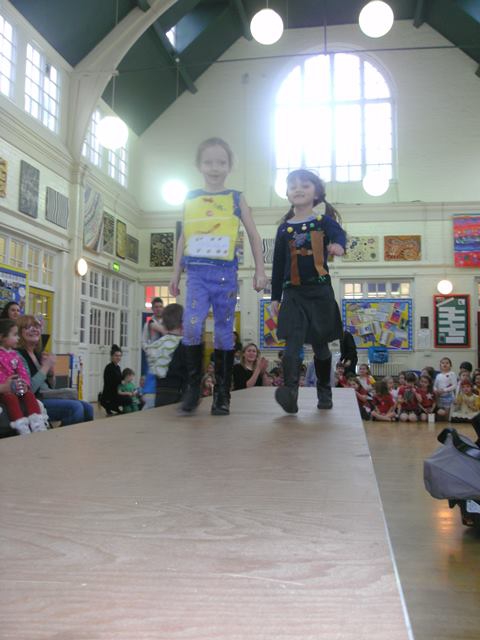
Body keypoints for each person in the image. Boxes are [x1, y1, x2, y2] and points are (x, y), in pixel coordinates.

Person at [169, 137, 267, 415]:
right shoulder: (191, 198)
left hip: (224, 274)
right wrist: (175, 272)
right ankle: (193, 387)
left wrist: (260, 270)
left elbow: (253, 234)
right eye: (209, 162)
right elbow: (183, 236)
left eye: (221, 162)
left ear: (229, 166)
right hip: (196, 273)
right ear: (199, 165)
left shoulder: (236, 198)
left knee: (224, 332)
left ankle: (222, 394)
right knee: (192, 325)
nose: (214, 167)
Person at [270, 169, 346, 414]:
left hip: (320, 292)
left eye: (304, 185)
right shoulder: (284, 229)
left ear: (316, 193)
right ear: (287, 193)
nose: (298, 189)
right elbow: (278, 265)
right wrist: (275, 297)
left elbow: (339, 234)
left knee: (320, 345)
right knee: (292, 344)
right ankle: (290, 393)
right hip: (293, 293)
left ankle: (324, 391)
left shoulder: (323, 222)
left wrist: (338, 245)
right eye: (293, 186)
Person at [16, 315, 94, 426]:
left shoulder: (37, 354)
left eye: (37, 326)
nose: (34, 330)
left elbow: (50, 387)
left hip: (46, 395)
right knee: (75, 408)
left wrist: (50, 373)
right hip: (33, 400)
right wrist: (46, 366)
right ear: (19, 332)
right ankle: (62, 436)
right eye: (28, 327)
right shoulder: (18, 355)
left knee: (88, 408)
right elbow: (29, 389)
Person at [0, 319, 46, 434]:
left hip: (17, 387)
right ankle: (20, 424)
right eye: (15, 335)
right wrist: (6, 384)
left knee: (29, 395)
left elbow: (22, 371)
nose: (18, 338)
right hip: (5, 390)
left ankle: (37, 422)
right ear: (2, 337)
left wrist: (25, 383)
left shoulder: (15, 354)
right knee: (11, 398)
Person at [143, 303, 187, 408]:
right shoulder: (183, 345)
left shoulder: (155, 346)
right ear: (183, 323)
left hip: (156, 392)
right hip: (178, 393)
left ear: (164, 324)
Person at [141, 297, 165, 409]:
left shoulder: (167, 322)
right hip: (154, 357)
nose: (158, 309)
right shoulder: (148, 324)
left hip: (165, 357)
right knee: (151, 385)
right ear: (152, 309)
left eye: (160, 306)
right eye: (156, 307)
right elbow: (144, 341)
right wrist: (149, 350)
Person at [100, 344, 127, 415]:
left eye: (120, 356)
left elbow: (120, 378)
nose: (118, 357)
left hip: (116, 392)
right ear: (112, 356)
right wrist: (121, 382)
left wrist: (126, 378)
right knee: (126, 399)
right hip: (109, 394)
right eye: (116, 356)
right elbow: (110, 382)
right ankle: (108, 405)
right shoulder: (109, 367)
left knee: (128, 399)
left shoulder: (118, 367)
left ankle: (114, 407)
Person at [433, 356, 457, 421]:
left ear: (450, 365)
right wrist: (436, 390)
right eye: (443, 363)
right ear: (440, 365)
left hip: (448, 397)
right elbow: (435, 386)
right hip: (439, 398)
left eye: (447, 363)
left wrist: (444, 390)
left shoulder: (452, 374)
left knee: (447, 416)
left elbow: (454, 385)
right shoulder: (438, 375)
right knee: (440, 416)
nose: (445, 364)